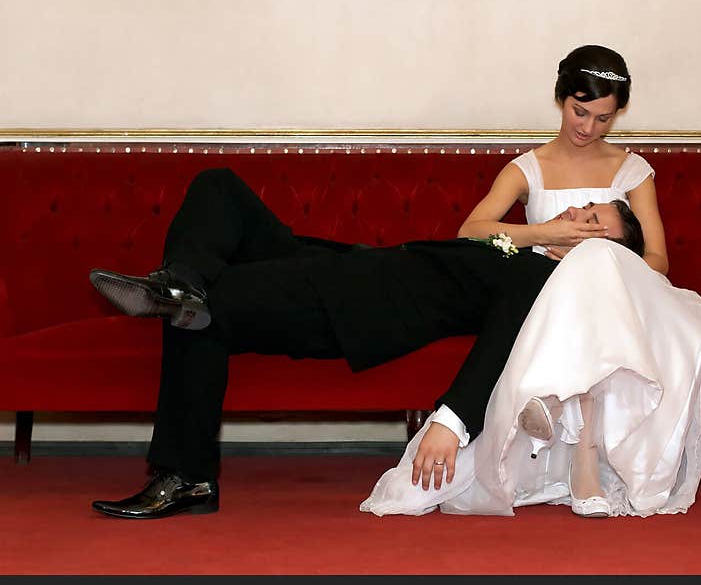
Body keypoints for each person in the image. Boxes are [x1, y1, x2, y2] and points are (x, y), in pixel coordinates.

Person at [87, 163, 643, 519]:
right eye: (584, 208)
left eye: (591, 222)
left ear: (597, 255)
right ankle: (177, 282)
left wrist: (450, 423)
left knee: (209, 306)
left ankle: (185, 475)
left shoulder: (540, 281)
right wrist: (544, 234)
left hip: (353, 306)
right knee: (219, 187)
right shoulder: (528, 249)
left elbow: (497, 348)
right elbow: (473, 235)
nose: (574, 213)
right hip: (342, 266)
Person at [359, 44, 701, 518]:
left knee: (592, 270)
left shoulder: (632, 171)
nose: (587, 128)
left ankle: (564, 424)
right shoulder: (527, 168)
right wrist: (545, 233)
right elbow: (470, 231)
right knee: (558, 291)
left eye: (602, 118)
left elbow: (656, 261)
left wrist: (596, 253)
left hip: (621, 297)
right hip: (544, 299)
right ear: (561, 99)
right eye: (580, 111)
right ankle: (569, 443)